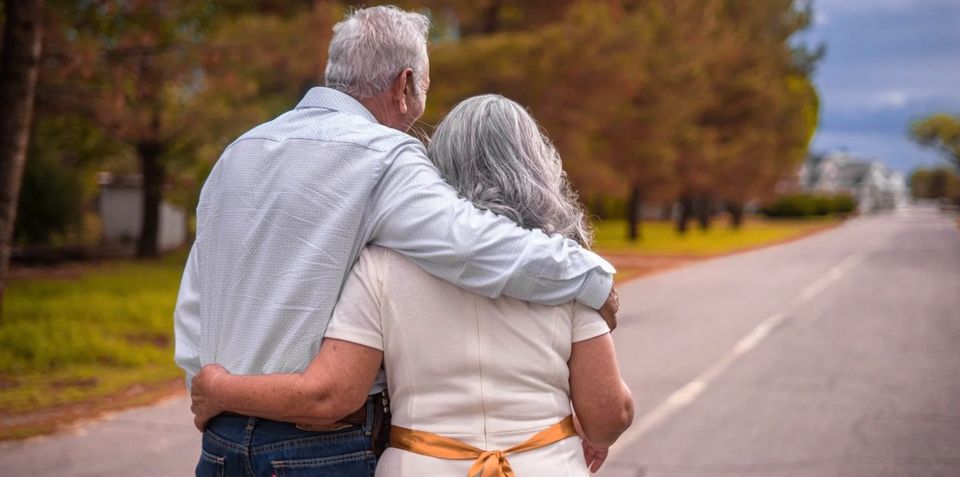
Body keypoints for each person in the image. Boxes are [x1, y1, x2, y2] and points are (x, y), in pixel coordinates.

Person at [173, 6, 620, 477]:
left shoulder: (239, 152)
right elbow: (475, 246)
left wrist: (208, 390)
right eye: (425, 88)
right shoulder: (386, 157)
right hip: (319, 446)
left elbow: (197, 297)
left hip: (222, 440)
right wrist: (591, 277)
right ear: (404, 85)